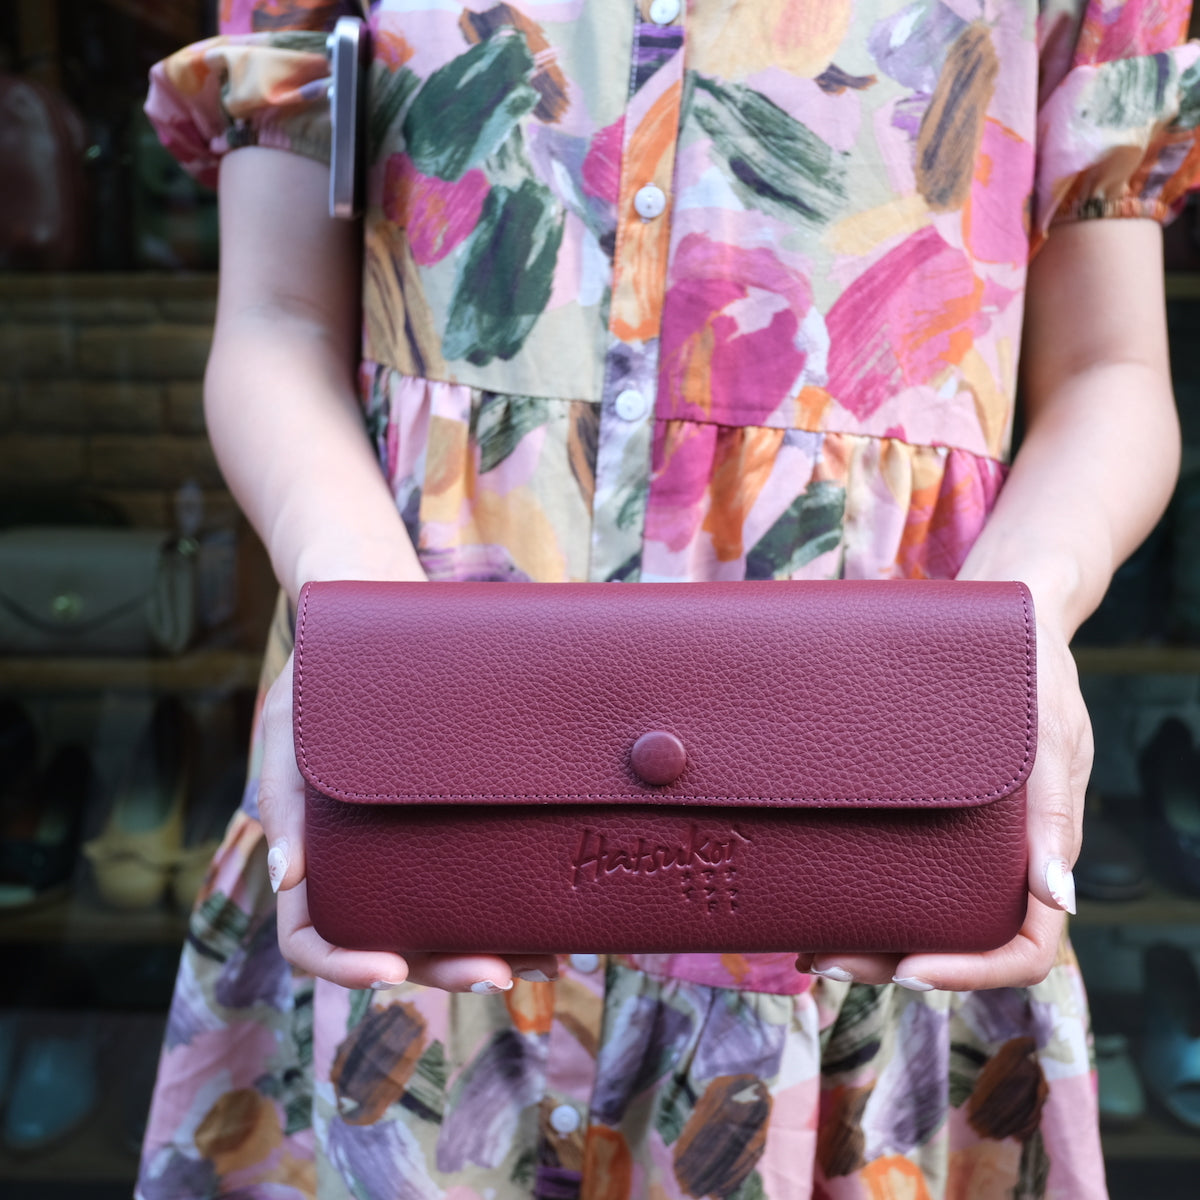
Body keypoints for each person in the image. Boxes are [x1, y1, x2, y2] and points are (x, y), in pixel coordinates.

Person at [136, 1, 1199, 1196]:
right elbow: (277, 318)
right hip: (413, 815)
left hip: (877, 843)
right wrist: (358, 647)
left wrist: (1015, 636)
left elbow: (1110, 367)